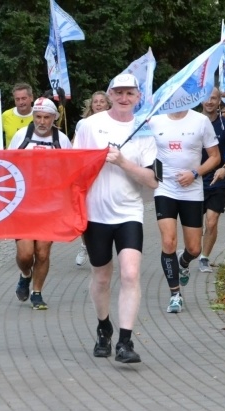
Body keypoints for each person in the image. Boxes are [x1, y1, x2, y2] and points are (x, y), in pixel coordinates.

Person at [72, 73, 159, 364]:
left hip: (129, 213)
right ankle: (103, 328)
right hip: (95, 214)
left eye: (130, 93)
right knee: (101, 277)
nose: (124, 98)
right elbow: (73, 168)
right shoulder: (89, 125)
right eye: (119, 92)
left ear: (138, 97)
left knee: (131, 274)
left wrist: (122, 162)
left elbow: (152, 180)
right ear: (109, 94)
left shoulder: (145, 130)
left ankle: (125, 341)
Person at [148, 107, 219, 313]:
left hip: (191, 190)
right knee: (169, 241)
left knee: (195, 249)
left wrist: (195, 173)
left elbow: (215, 157)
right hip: (165, 188)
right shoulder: (154, 121)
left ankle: (184, 261)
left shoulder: (200, 121)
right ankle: (175, 295)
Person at [9, 97, 72, 310]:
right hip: (24, 204)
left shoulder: (62, 140)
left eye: (46, 117)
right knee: (26, 254)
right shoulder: (21, 136)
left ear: (54, 118)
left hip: (50, 205)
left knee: (43, 253)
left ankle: (37, 292)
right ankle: (25, 274)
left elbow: (71, 170)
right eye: (38, 117)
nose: (42, 122)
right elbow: (7, 165)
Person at [198, 87, 225, 272]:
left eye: (214, 98)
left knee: (211, 221)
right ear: (201, 100)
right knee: (195, 227)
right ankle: (192, 250)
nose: (209, 102)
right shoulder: (192, 123)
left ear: (219, 101)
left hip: (217, 181)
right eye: (207, 98)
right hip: (194, 181)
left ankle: (204, 258)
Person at [73, 90, 112, 266]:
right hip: (88, 173)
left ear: (108, 104)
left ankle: (103, 247)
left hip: (108, 172)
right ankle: (85, 245)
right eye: (95, 101)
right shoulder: (83, 123)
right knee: (86, 211)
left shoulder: (114, 123)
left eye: (102, 101)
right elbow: (76, 146)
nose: (98, 104)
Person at [2, 82, 35, 148]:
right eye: (17, 99)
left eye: (24, 98)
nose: (21, 102)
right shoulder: (6, 115)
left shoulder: (39, 116)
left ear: (31, 98)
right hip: (11, 154)